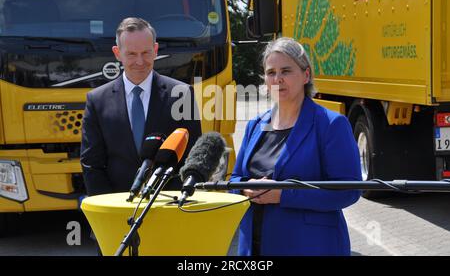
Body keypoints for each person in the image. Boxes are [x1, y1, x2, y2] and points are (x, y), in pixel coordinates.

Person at [230, 37, 362, 256]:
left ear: (306, 75)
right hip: (254, 248)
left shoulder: (330, 124)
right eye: (271, 72)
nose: (278, 79)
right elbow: (234, 178)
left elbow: (349, 190)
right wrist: (245, 187)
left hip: (310, 247)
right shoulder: (255, 125)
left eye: (286, 71)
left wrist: (283, 195)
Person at [81, 17, 202, 196]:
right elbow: (92, 164)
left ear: (155, 50)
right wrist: (107, 207)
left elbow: (193, 156)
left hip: (168, 205)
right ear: (117, 53)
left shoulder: (182, 94)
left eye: (146, 53)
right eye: (131, 54)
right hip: (116, 207)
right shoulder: (97, 100)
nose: (139, 61)